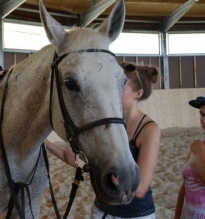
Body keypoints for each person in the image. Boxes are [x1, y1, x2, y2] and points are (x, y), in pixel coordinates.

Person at [45, 62, 161, 219]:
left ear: (138, 94)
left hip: (136, 214)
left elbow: (140, 188)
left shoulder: (149, 129)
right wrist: (45, 143)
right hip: (102, 210)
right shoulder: (105, 125)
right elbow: (76, 160)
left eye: (121, 86)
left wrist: (107, 173)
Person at [174, 96, 205, 219]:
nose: (203, 120)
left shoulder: (198, 147)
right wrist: (176, 216)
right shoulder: (197, 145)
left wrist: (200, 150)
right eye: (202, 115)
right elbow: (185, 184)